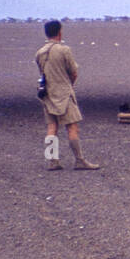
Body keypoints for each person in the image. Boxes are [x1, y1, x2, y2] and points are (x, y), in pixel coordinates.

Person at [35, 19, 100, 170]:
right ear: (59, 32)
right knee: (72, 127)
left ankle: (52, 161)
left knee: (52, 127)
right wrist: (68, 84)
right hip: (64, 93)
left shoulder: (39, 53)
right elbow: (74, 72)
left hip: (47, 94)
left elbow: (42, 73)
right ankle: (79, 160)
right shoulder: (64, 50)